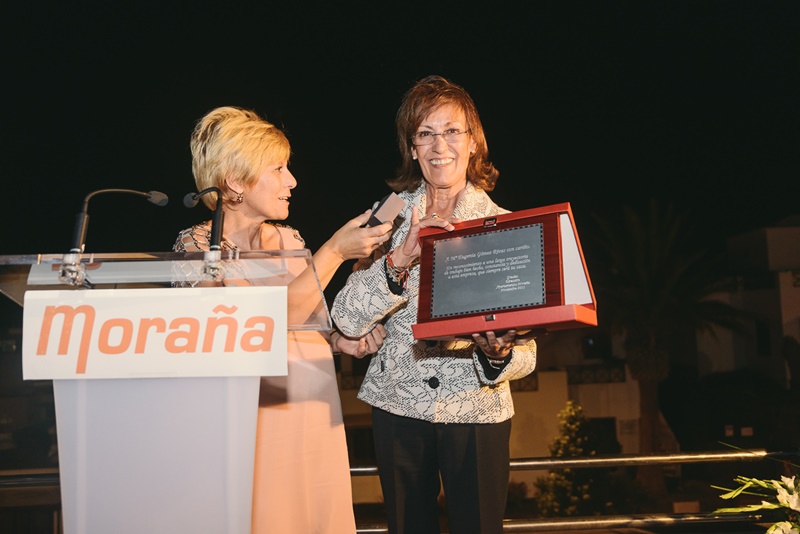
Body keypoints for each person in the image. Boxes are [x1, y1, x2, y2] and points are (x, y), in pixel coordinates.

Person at [331, 76, 538, 534]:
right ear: (411, 146)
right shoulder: (384, 216)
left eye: (451, 131)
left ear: (473, 143)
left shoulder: (504, 226)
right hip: (396, 407)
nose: (438, 145)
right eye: (424, 133)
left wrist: (499, 354)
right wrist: (400, 256)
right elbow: (345, 318)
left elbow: (529, 355)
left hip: (476, 410)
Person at [173, 106, 390, 534]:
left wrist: (339, 339)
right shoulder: (198, 246)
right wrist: (334, 252)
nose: (292, 180)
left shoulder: (288, 240)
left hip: (312, 413)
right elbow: (256, 327)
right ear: (235, 180)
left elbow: (303, 316)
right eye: (278, 168)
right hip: (256, 421)